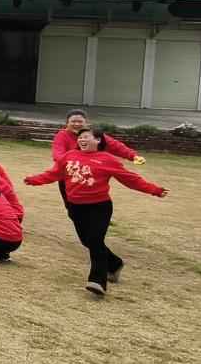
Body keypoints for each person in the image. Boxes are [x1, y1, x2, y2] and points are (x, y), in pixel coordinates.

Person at [25, 126, 167, 296]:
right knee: (88, 241)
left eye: (86, 137)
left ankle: (97, 281)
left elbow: (131, 180)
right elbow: (54, 174)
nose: (82, 140)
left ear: (98, 140)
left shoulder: (107, 159)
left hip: (99, 207)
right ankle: (115, 263)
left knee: (95, 241)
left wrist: (154, 190)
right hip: (76, 207)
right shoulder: (69, 156)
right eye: (80, 137)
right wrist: (34, 180)